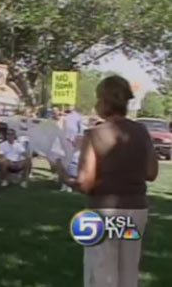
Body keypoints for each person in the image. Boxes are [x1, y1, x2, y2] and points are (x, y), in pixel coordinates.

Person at [61, 76, 158, 287]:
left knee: (102, 274)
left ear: (104, 101)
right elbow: (151, 173)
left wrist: (64, 177)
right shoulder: (142, 132)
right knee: (128, 273)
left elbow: (85, 183)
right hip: (135, 209)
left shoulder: (94, 134)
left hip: (103, 212)